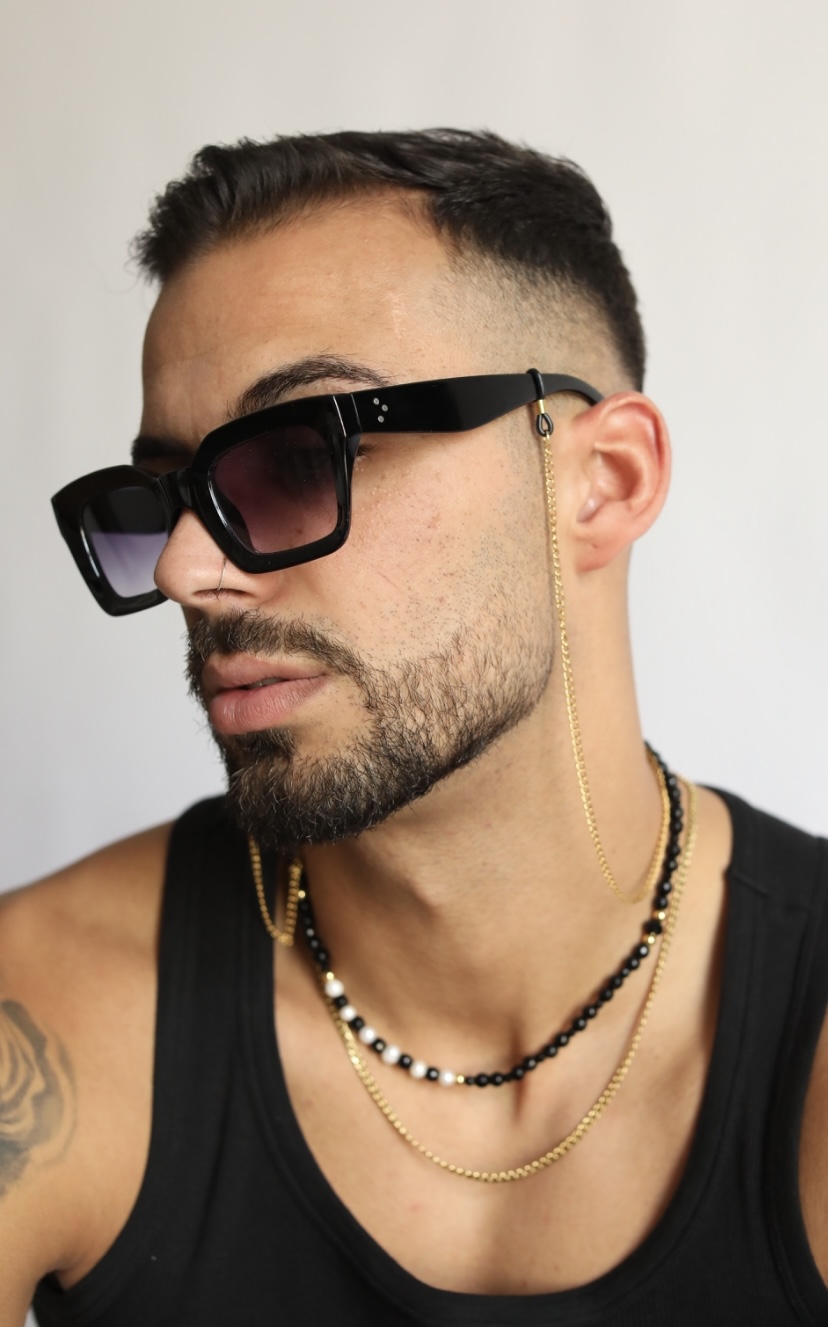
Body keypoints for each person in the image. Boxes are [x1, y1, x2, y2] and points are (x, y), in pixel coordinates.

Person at [1, 129, 826, 1326]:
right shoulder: (46, 1005)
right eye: (167, 498)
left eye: (298, 456)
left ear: (603, 480)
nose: (184, 570)